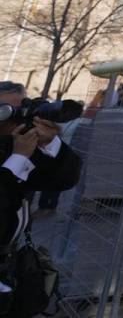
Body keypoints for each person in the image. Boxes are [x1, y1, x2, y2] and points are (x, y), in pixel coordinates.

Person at [0, 82, 82, 244]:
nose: (19, 118)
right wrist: (19, 158)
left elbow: (64, 180)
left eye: (24, 108)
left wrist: (51, 144)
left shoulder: (16, 143)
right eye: (9, 111)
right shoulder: (19, 149)